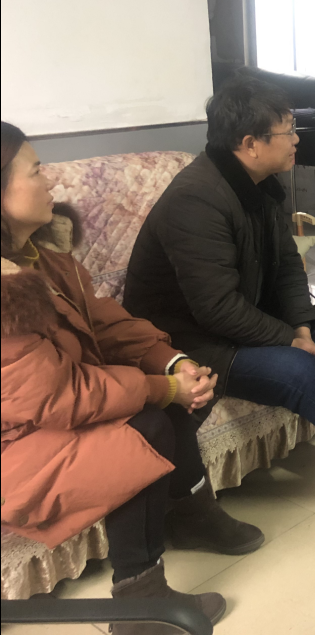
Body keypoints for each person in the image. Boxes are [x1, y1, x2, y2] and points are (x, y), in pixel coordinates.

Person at [0, 122, 264, 634]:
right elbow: (59, 396)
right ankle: (139, 603)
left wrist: (172, 363)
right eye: (35, 171)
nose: (51, 180)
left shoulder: (41, 258)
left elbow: (103, 321)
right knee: (145, 425)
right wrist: (163, 389)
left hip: (45, 418)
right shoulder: (6, 295)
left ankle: (191, 515)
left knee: (180, 396)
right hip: (14, 444)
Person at [123, 75, 315, 501]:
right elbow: (216, 309)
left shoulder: (259, 185)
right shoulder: (197, 200)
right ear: (250, 144)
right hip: (190, 340)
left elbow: (286, 267)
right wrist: (289, 341)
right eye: (288, 131)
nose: (296, 139)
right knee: (299, 370)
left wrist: (300, 327)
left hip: (239, 319)